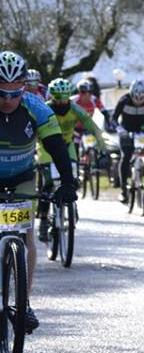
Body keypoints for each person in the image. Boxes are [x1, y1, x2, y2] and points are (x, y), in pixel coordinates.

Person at [0, 53, 77, 332]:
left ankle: (25, 302)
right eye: (1, 93)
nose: (8, 100)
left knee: (26, 235)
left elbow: (56, 146)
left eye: (15, 93)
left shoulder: (36, 107)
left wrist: (67, 183)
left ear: (24, 88)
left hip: (22, 177)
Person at [36, 78, 106, 240]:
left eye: (65, 97)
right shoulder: (44, 109)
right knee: (48, 183)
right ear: (52, 96)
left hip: (67, 146)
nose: (62, 101)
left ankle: (71, 205)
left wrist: (103, 149)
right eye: (58, 98)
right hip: (47, 148)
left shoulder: (75, 109)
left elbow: (92, 127)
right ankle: (44, 220)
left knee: (72, 178)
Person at [111, 80, 144, 204]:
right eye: (135, 99)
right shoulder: (124, 100)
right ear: (131, 94)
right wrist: (119, 129)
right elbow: (113, 118)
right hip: (126, 130)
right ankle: (123, 190)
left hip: (143, 129)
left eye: (142, 99)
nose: (138, 102)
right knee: (126, 156)